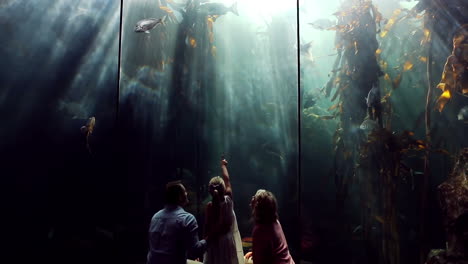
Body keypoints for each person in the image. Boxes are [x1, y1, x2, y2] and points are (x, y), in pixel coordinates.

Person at [146, 181, 208, 264]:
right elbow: (195, 252)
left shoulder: (155, 217)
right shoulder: (187, 218)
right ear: (179, 197)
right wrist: (210, 237)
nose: (187, 193)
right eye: (185, 191)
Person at [203, 158, 244, 264]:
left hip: (214, 241)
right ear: (224, 188)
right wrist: (223, 165)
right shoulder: (229, 199)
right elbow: (227, 179)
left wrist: (204, 243)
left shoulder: (209, 206)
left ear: (209, 191)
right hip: (228, 241)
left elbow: (207, 227)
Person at [245, 189, 295, 264]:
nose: (252, 197)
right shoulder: (275, 221)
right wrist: (254, 253)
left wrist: (255, 255)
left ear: (258, 207)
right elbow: (273, 250)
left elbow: (258, 261)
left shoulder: (259, 230)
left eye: (255, 197)